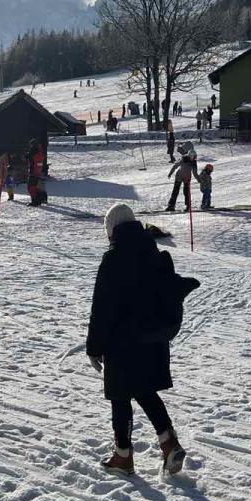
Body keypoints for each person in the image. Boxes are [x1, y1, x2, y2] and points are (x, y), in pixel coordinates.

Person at [87, 203, 197, 477]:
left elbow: (102, 307)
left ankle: (123, 456)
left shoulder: (113, 260)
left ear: (112, 230)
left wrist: (94, 347)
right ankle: (168, 441)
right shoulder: (152, 252)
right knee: (144, 389)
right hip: (152, 339)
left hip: (122, 342)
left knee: (120, 395)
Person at [26, 139, 47, 206]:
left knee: (31, 187)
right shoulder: (41, 151)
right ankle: (39, 200)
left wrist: (26, 155)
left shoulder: (33, 150)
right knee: (37, 187)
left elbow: (29, 157)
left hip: (33, 171)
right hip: (39, 171)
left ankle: (35, 202)